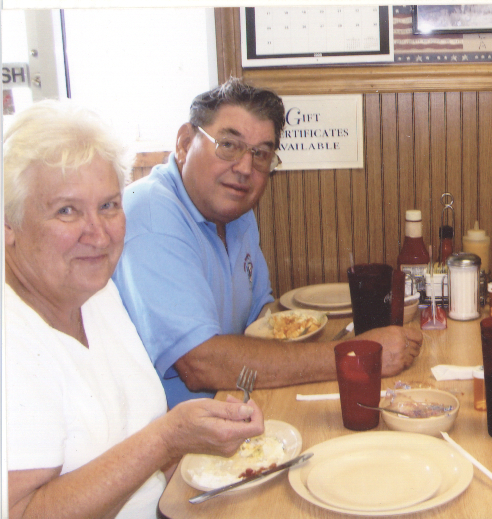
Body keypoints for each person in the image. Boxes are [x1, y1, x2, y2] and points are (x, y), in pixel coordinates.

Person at [5, 100, 266, 519]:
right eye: (67, 211)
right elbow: (22, 512)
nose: (98, 234)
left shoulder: (96, 293)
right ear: (8, 224)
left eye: (108, 205)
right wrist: (167, 439)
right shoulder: (12, 336)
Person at [112, 78, 422, 407]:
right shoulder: (151, 216)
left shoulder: (236, 210)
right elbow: (201, 363)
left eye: (260, 154)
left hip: (233, 404)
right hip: (173, 430)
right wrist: (354, 355)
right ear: (185, 144)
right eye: (228, 145)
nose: (245, 168)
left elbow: (264, 320)